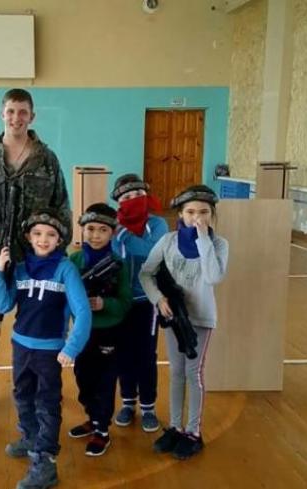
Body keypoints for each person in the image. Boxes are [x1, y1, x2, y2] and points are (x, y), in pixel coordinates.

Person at [0, 88, 72, 376]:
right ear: (2, 114)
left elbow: (61, 205)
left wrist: (57, 253)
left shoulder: (46, 159)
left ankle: (42, 378)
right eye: (11, 111)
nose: (16, 118)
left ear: (32, 116)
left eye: (23, 112)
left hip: (35, 255)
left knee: (38, 317)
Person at [0, 209, 91, 489]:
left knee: (47, 403)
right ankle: (30, 437)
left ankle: (45, 462)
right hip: (21, 346)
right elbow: (3, 305)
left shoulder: (65, 269)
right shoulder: (20, 268)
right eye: (37, 233)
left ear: (59, 239)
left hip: (50, 351)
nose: (43, 239)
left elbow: (83, 312)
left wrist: (72, 347)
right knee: (22, 395)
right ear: (28, 236)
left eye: (50, 235)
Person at [138, 185, 228, 460]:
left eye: (204, 212)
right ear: (180, 214)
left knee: (193, 373)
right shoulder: (168, 241)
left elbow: (213, 276)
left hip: (200, 318)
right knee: (176, 372)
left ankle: (193, 432)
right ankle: (176, 427)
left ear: (212, 214)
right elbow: (146, 273)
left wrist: (202, 239)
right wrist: (158, 299)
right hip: (173, 316)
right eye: (190, 212)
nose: (196, 218)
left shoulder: (219, 244)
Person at [67, 203, 132, 457]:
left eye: (102, 230)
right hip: (82, 332)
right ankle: (93, 417)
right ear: (82, 230)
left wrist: (105, 304)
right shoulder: (74, 261)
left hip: (109, 332)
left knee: (104, 381)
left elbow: (125, 301)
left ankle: (102, 430)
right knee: (83, 376)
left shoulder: (118, 264)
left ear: (112, 233)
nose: (95, 235)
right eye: (91, 229)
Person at [110, 174, 168, 432]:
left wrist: (122, 233)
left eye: (137, 195)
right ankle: (127, 402)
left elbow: (151, 252)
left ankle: (148, 406)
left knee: (145, 355)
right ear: (118, 202)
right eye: (126, 197)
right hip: (120, 302)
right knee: (123, 354)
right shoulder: (110, 226)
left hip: (147, 300)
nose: (133, 200)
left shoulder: (157, 224)